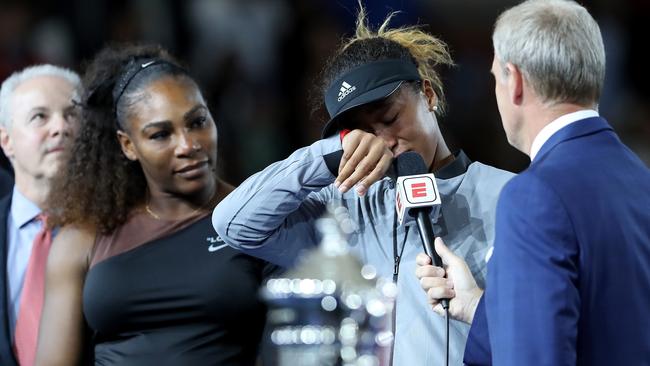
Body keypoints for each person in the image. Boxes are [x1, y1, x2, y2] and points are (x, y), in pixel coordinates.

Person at [212, 6, 514, 365]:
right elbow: (234, 223)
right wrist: (327, 155)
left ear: (428, 96)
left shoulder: (510, 196)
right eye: (363, 132)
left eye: (390, 118)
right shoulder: (342, 207)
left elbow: (543, 334)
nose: (383, 141)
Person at [416, 0, 650, 365]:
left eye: (495, 77)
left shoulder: (535, 196)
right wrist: (479, 306)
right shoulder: (639, 179)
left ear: (516, 82)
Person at [35, 44, 277, 365]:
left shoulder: (262, 216)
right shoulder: (81, 241)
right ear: (128, 145)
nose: (188, 145)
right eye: (161, 134)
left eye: (197, 122)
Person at [0, 65, 81, 366]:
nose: (61, 127)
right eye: (40, 117)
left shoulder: (118, 229)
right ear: (6, 140)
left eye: (72, 114)